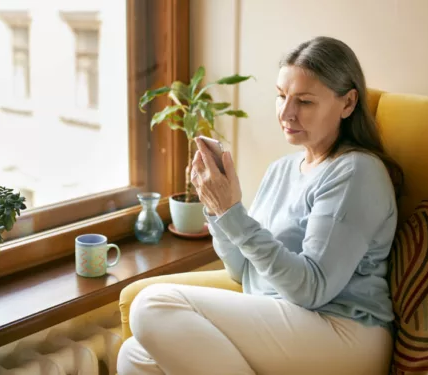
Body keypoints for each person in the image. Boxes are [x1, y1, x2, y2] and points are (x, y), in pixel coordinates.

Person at [117, 36, 404, 375]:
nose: (287, 113)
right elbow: (244, 272)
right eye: (281, 96)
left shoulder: (356, 172)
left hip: (344, 331)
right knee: (134, 356)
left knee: (151, 305)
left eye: (305, 102)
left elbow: (310, 289)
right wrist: (217, 208)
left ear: (348, 103)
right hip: (281, 318)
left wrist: (232, 213)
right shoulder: (281, 170)